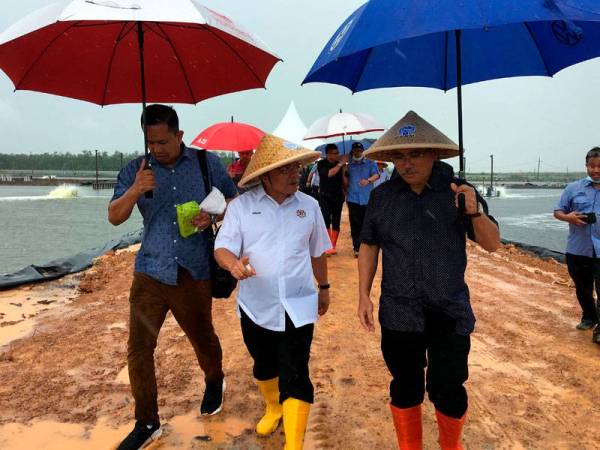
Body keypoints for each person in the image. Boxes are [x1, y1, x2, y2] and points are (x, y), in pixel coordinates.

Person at [357, 111, 500, 450]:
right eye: (400, 156)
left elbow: (493, 243)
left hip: (448, 310)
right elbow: (369, 244)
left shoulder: (458, 192)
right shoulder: (382, 197)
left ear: (433, 154)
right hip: (398, 310)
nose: (407, 163)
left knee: (448, 388)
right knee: (405, 385)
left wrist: (474, 211)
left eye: (415, 153)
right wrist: (363, 294)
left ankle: (451, 446)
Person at [108, 104, 237, 450]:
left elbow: (232, 198)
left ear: (180, 135)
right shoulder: (136, 170)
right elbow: (114, 217)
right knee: (139, 349)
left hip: (193, 269)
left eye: (164, 141)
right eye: (151, 143)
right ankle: (147, 421)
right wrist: (135, 189)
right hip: (150, 270)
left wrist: (210, 217)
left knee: (202, 337)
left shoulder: (205, 163)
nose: (157, 149)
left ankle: (214, 380)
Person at [214, 134, 331, 450]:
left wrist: (324, 288)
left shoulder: (309, 206)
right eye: (285, 170)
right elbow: (222, 247)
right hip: (256, 305)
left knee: (296, 372)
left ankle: (293, 444)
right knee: (264, 364)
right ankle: (273, 406)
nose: (295, 175)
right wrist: (233, 265)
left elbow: (318, 251)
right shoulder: (241, 207)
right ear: (265, 174)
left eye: (296, 168)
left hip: (298, 303)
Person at [554, 146, 600, 344]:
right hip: (577, 249)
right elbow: (558, 211)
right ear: (586, 166)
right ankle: (589, 317)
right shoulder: (573, 188)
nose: (596, 170)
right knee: (582, 288)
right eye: (592, 166)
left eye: (599, 166)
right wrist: (569, 218)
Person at [345, 142, 380, 257]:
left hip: (367, 198)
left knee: (367, 223)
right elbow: (345, 181)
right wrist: (343, 171)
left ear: (363, 151)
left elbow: (377, 175)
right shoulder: (349, 165)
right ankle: (357, 248)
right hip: (352, 198)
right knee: (355, 224)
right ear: (352, 151)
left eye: (359, 151)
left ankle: (367, 246)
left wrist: (368, 180)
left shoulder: (370, 163)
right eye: (355, 151)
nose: (357, 152)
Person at [317, 143, 346, 255]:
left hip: (338, 196)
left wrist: (343, 170)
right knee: (325, 220)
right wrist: (340, 165)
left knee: (336, 220)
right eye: (335, 153)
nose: (337, 155)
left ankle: (333, 246)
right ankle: (327, 245)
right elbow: (328, 174)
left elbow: (344, 182)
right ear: (328, 154)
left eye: (338, 153)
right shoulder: (321, 164)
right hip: (325, 196)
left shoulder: (340, 165)